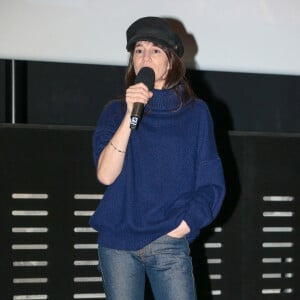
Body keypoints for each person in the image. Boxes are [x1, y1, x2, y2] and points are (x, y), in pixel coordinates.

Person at [89, 16, 226, 300]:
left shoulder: (195, 113)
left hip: (168, 239)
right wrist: (130, 114)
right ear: (132, 61)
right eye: (139, 50)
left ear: (171, 61)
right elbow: (105, 175)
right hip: (118, 245)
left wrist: (186, 223)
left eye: (155, 50)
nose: (145, 56)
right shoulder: (115, 112)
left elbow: (212, 183)